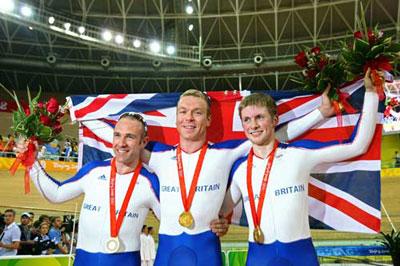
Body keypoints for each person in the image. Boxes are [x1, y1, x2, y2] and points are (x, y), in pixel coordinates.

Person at [143, 88, 335, 265]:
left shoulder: (225, 153)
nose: (189, 118)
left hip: (208, 253)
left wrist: (320, 113)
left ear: (209, 119)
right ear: (175, 118)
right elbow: (121, 143)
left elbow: (277, 135)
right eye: (183, 112)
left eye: (197, 112)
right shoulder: (158, 156)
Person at [220, 70, 379, 265]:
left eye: (260, 117)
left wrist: (370, 93)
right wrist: (217, 222)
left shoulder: (298, 156)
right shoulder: (240, 170)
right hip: (258, 257)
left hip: (300, 256)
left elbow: (358, 146)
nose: (253, 125)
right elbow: (220, 212)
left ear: (274, 120)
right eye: (247, 119)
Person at [16, 113, 161, 266]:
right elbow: (56, 194)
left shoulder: (150, 182)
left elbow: (173, 225)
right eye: (117, 135)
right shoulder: (93, 170)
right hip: (83, 260)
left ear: (143, 142)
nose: (121, 143)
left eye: (130, 137)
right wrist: (31, 163)